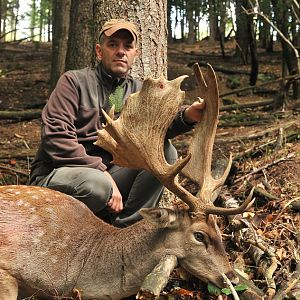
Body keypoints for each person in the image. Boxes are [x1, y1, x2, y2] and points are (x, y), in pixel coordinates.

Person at [29, 19, 205, 227]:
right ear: (99, 51)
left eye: (127, 46)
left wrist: (188, 116)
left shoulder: (138, 91)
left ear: (135, 54)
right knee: (98, 185)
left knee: (166, 152)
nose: (120, 51)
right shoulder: (74, 82)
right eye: (113, 45)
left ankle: (126, 230)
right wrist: (100, 171)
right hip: (62, 174)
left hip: (110, 179)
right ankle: (58, 230)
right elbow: (55, 136)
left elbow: (158, 126)